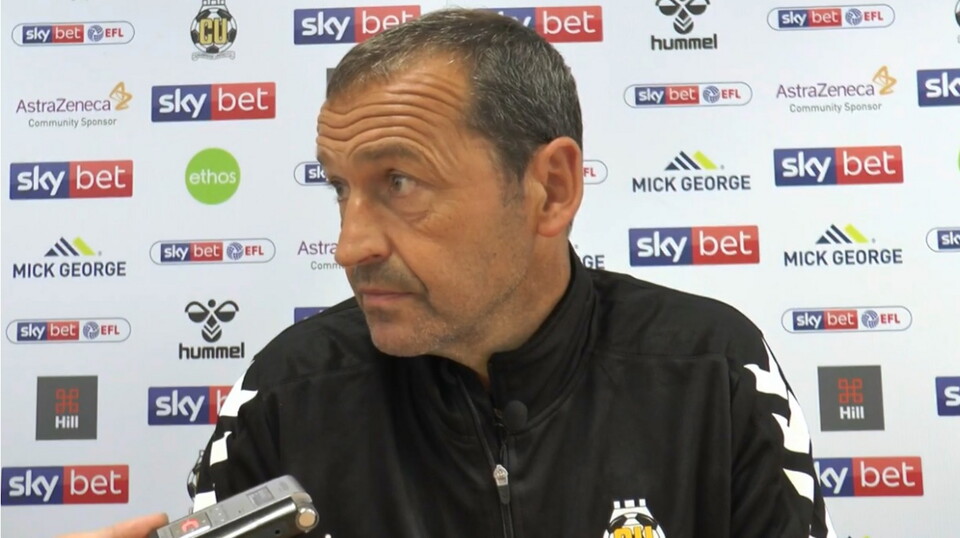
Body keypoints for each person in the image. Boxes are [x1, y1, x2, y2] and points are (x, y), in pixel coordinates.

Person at [63, 8, 836, 538]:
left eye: (400, 182)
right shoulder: (286, 396)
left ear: (550, 189)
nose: (349, 245)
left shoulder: (712, 372)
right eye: (340, 189)